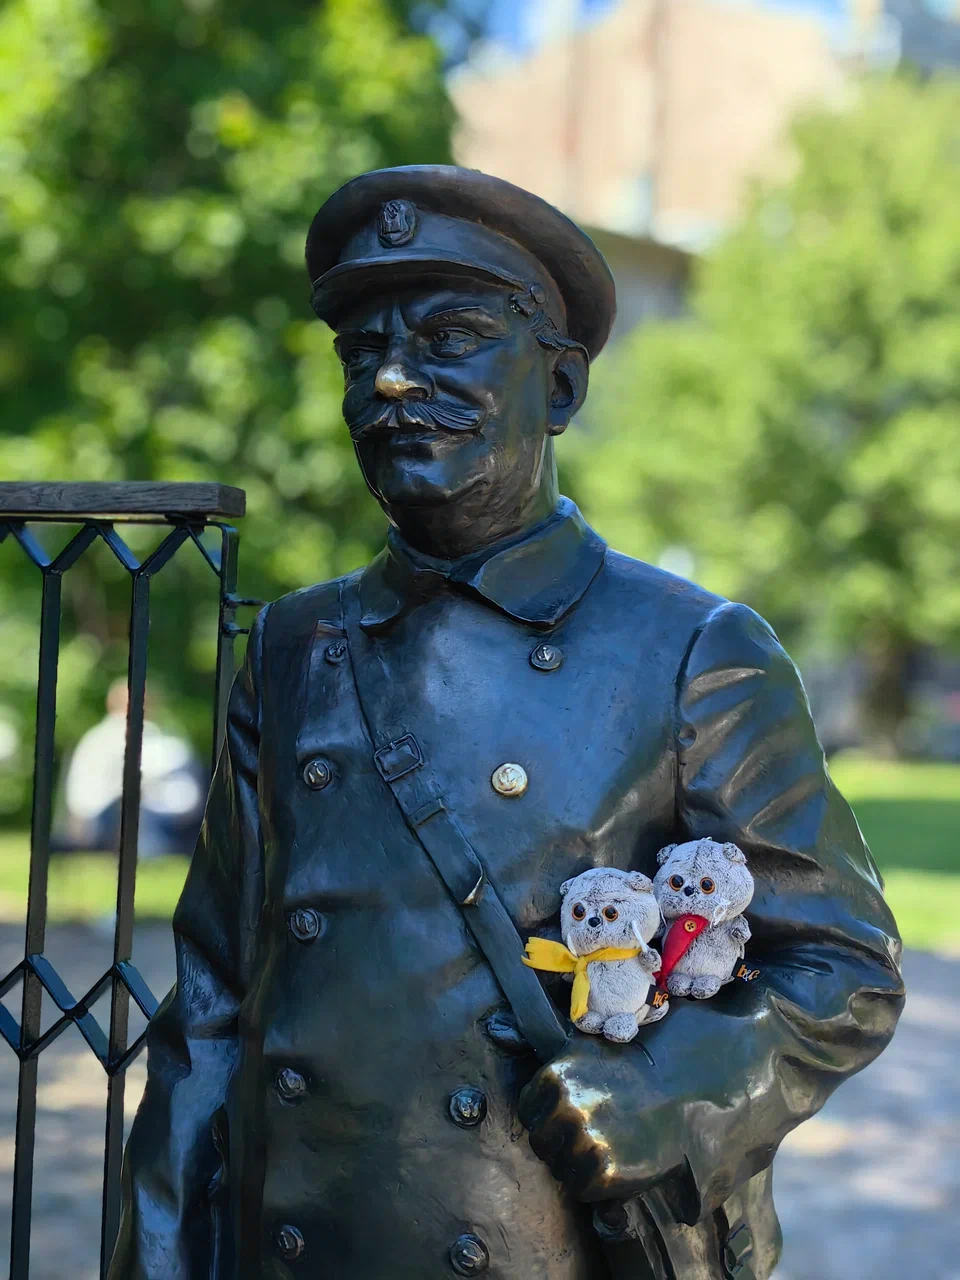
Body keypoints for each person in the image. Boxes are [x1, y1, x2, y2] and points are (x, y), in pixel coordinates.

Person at [109, 167, 904, 1280]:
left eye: (452, 339)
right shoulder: (293, 646)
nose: (392, 379)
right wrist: (154, 1256)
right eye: (361, 353)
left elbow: (842, 962)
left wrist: (674, 1087)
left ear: (561, 385)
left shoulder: (692, 648)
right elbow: (209, 1002)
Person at [57, 680, 206, 858]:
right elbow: (150, 771)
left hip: (118, 817)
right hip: (102, 820)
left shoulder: (111, 734)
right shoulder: (112, 735)